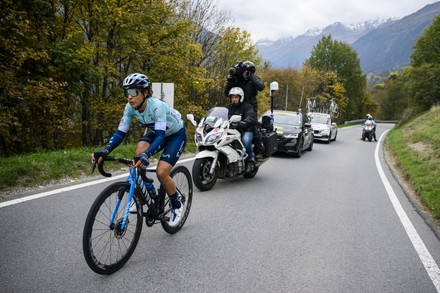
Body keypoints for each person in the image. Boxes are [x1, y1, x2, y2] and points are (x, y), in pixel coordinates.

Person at [91, 73, 186, 222]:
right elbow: (120, 132)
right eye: (127, 92)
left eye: (134, 92)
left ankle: (176, 203)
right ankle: (144, 194)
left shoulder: (157, 107)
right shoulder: (130, 108)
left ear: (145, 93)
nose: (129, 97)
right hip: (157, 132)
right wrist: (105, 150)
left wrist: (147, 155)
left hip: (175, 135)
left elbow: (161, 137)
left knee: (161, 172)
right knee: (138, 152)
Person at [224, 61, 265, 159]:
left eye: (246, 71)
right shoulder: (238, 80)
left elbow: (261, 87)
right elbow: (226, 93)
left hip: (251, 105)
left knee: (253, 126)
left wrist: (250, 76)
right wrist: (230, 82)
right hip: (238, 104)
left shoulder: (253, 79)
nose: (244, 72)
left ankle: (258, 151)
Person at [226, 87, 257, 173]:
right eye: (232, 97)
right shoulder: (228, 107)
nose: (234, 99)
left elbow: (251, 116)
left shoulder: (247, 107)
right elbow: (221, 115)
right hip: (232, 130)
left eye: (236, 97)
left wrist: (244, 122)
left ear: (240, 97)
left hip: (245, 130)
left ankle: (250, 160)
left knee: (246, 141)